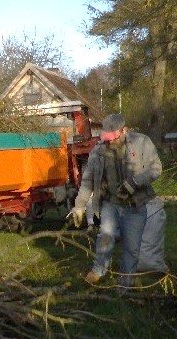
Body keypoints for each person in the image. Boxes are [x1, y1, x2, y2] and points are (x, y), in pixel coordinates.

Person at [68, 113, 162, 289]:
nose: (109, 142)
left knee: (131, 248)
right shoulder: (98, 151)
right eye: (106, 138)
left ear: (124, 130)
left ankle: (125, 283)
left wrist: (134, 182)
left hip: (135, 205)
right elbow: (87, 180)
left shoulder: (142, 142)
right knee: (105, 237)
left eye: (112, 138)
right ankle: (98, 270)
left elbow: (156, 168)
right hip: (110, 204)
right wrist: (79, 207)